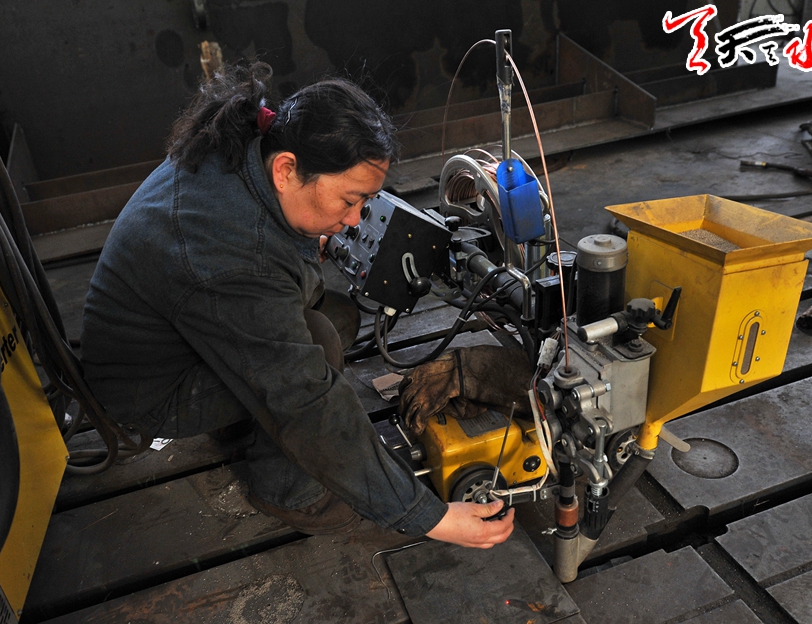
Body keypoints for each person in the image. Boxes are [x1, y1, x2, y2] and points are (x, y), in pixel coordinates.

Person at [80, 61, 514, 548]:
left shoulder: (248, 142)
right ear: (287, 170)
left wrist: (313, 236)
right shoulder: (232, 255)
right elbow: (307, 403)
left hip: (174, 337)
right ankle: (289, 494)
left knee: (339, 316)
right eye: (349, 200)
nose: (356, 220)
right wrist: (429, 517)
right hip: (149, 392)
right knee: (320, 343)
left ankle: (242, 429)